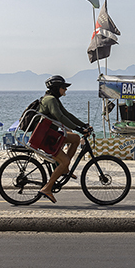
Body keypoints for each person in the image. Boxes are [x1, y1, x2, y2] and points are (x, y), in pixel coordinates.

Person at [37, 75, 92, 203]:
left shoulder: (54, 99)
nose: (65, 90)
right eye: (63, 88)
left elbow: (67, 114)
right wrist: (78, 128)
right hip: (45, 138)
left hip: (50, 135)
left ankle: (64, 170)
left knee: (75, 139)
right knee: (64, 161)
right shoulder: (50, 100)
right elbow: (60, 117)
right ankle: (47, 188)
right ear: (56, 88)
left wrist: (82, 125)